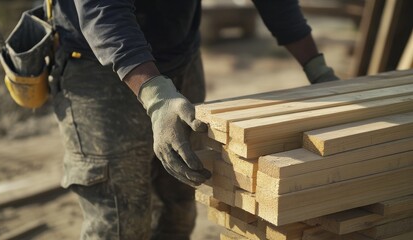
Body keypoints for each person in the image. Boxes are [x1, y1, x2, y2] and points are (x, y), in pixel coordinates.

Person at [49, 0, 338, 239]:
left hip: (179, 54)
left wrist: (316, 68)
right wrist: (157, 96)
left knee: (179, 205)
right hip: (96, 64)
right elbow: (103, 8)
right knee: (121, 221)